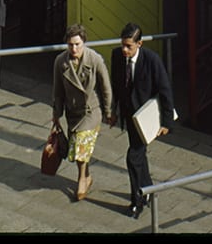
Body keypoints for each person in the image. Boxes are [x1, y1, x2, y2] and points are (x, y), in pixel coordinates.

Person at [110, 23, 174, 220]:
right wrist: (113, 111)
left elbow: (165, 90)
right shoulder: (117, 56)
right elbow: (117, 84)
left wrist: (166, 122)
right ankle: (147, 189)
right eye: (123, 45)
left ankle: (137, 201)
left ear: (140, 43)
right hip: (129, 115)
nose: (124, 50)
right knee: (139, 155)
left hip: (146, 117)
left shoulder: (152, 60)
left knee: (133, 157)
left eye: (129, 46)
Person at [51, 23, 113, 203]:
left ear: (84, 43)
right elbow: (57, 90)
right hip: (73, 112)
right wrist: (57, 112)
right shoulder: (60, 62)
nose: (74, 48)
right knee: (78, 149)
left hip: (91, 111)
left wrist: (109, 111)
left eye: (77, 44)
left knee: (80, 145)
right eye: (70, 44)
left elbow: (105, 87)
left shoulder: (94, 60)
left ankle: (81, 179)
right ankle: (87, 176)